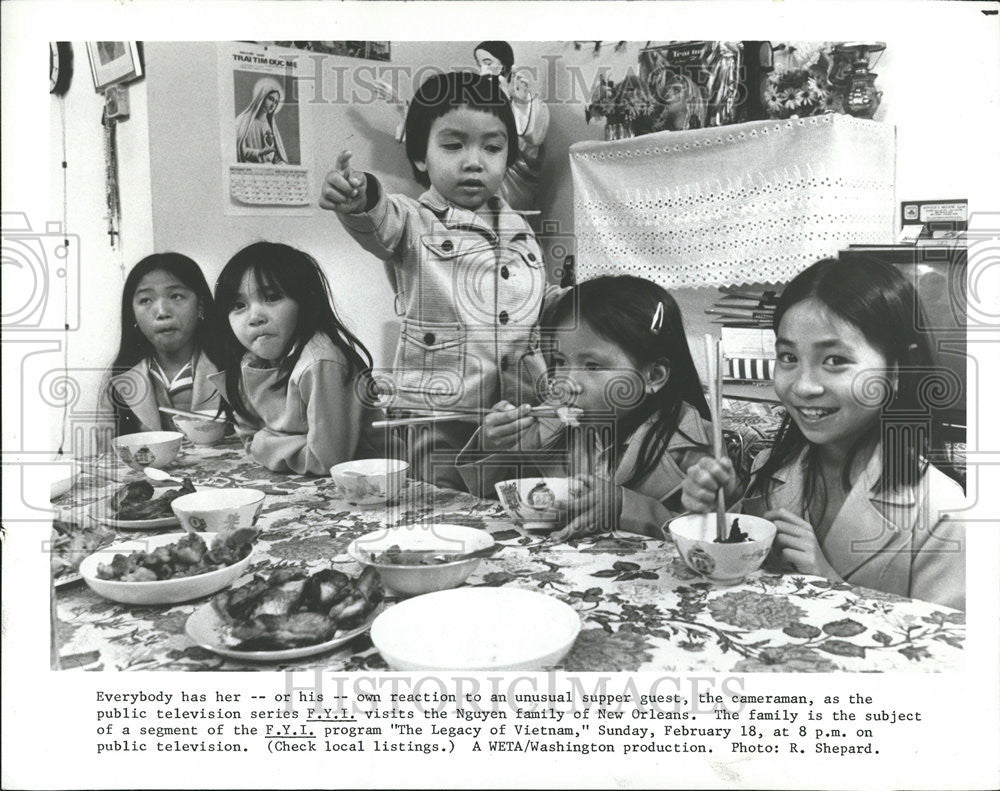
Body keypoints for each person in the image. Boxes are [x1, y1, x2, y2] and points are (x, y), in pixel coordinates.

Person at [681, 258, 966, 610]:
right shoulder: (774, 466)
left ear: (898, 369)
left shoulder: (944, 513)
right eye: (788, 357)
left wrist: (827, 583)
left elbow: (944, 655)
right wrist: (722, 512)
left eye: (834, 360)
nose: (802, 386)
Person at [320, 71, 558, 491]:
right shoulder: (414, 221)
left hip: (516, 409)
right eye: (453, 145)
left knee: (510, 508)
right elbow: (379, 220)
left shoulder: (522, 229)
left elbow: (535, 304)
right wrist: (360, 199)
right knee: (442, 506)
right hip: (438, 416)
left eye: (492, 147)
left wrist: (587, 305)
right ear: (420, 157)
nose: (474, 160)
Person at [459, 275, 714, 542]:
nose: (567, 383)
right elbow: (494, 502)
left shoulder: (694, 447)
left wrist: (625, 506)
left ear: (653, 376)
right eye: (559, 361)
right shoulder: (549, 426)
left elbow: (717, 537)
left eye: (592, 366)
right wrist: (491, 445)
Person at [209, 242, 385, 475]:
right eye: (239, 305)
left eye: (271, 297)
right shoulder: (250, 362)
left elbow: (326, 461)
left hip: (370, 484)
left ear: (305, 302)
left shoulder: (320, 361)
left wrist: (265, 444)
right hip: (306, 483)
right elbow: (248, 436)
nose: (255, 317)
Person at [104, 253, 224, 436]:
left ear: (200, 306)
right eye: (146, 300)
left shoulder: (231, 368)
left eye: (176, 296)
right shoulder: (120, 377)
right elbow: (106, 456)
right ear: (132, 314)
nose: (162, 312)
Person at [474, 41, 550, 213]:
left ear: (505, 65)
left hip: (516, 182)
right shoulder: (481, 102)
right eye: (480, 65)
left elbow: (533, 139)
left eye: (488, 63)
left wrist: (519, 103)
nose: (483, 71)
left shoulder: (529, 102)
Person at [235, 77, 288, 164]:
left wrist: (280, 163)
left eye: (276, 102)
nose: (273, 105)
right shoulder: (243, 121)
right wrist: (259, 153)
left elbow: (275, 156)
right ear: (262, 97)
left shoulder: (271, 126)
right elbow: (239, 149)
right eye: (271, 99)